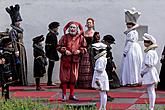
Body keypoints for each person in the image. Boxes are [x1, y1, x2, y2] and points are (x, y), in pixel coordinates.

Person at [57, 21, 87, 101]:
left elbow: (84, 48)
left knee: (73, 78)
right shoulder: (64, 37)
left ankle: (72, 95)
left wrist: (79, 51)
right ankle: (63, 95)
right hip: (65, 60)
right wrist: (64, 51)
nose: (72, 29)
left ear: (77, 29)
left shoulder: (81, 38)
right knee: (64, 78)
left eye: (74, 27)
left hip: (75, 60)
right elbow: (59, 46)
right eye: (71, 27)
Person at [120, 8, 143, 87]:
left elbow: (129, 42)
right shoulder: (134, 32)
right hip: (136, 48)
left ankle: (132, 80)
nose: (127, 25)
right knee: (134, 64)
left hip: (131, 49)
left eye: (129, 24)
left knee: (130, 63)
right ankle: (135, 80)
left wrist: (125, 51)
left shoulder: (131, 33)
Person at [6, 4, 28, 86]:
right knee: (17, 66)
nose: (19, 23)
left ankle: (22, 80)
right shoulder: (13, 31)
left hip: (21, 48)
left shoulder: (19, 30)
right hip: (18, 49)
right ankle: (17, 80)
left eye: (19, 21)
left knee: (22, 65)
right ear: (14, 22)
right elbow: (14, 41)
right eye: (17, 21)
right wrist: (16, 50)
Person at [141, 33, 159, 110]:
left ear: (150, 43)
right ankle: (151, 106)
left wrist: (142, 72)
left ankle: (151, 107)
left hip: (149, 72)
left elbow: (149, 65)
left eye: (146, 41)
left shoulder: (150, 53)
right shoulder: (153, 52)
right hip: (151, 72)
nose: (144, 43)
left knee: (151, 90)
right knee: (151, 90)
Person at [78, 18, 95, 88]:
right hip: (84, 51)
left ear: (93, 24)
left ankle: (90, 83)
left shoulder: (95, 33)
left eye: (90, 23)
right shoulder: (83, 33)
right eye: (88, 22)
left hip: (91, 51)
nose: (89, 24)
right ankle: (82, 83)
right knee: (82, 65)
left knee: (90, 66)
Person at [91, 42, 109, 110]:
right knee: (102, 92)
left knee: (103, 92)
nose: (96, 51)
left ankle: (103, 107)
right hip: (101, 76)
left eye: (96, 50)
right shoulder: (102, 58)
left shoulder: (100, 59)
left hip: (100, 77)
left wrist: (97, 79)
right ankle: (102, 107)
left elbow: (99, 69)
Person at [45, 22, 60, 86]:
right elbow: (53, 45)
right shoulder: (52, 35)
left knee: (51, 67)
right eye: (56, 28)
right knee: (51, 67)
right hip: (51, 53)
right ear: (53, 28)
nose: (57, 29)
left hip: (51, 53)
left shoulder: (50, 34)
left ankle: (49, 80)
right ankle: (49, 81)